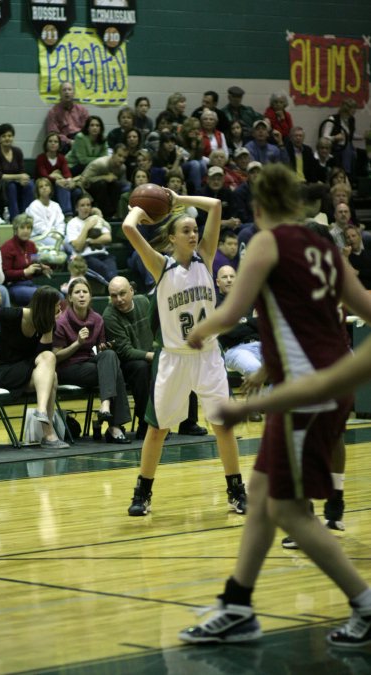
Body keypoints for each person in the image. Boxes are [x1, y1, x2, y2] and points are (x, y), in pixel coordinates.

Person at [179, 163, 371, 649]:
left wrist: (201, 331)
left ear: (259, 208)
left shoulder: (267, 241)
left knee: (288, 510)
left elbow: (233, 309)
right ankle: (237, 605)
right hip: (332, 374)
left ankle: (366, 605)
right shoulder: (326, 244)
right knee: (262, 493)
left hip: (308, 391)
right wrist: (277, 361)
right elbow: (358, 307)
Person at [122, 189, 247, 517]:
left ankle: (236, 490)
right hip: (174, 358)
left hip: (208, 357)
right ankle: (143, 492)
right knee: (157, 429)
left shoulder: (206, 257)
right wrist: (141, 209)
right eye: (187, 230)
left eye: (195, 229)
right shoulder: (160, 266)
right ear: (172, 238)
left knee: (223, 426)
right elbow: (128, 228)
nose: (194, 234)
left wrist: (177, 197)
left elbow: (217, 205)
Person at [0, 285, 68, 449]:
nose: (60, 309)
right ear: (45, 308)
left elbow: (43, 355)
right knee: (53, 377)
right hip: (6, 371)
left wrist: (49, 328)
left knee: (51, 363)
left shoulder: (47, 324)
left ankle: (42, 412)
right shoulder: (14, 315)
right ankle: (48, 434)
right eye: (56, 306)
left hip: (28, 370)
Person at [103, 276, 208, 440]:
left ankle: (188, 422)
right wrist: (152, 356)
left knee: (185, 359)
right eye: (114, 296)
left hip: (154, 353)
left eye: (122, 293)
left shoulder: (143, 302)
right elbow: (124, 351)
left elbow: (162, 329)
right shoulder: (109, 315)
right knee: (141, 368)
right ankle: (146, 425)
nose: (119, 299)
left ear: (131, 290)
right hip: (129, 363)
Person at [53, 276, 131, 444]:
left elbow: (101, 348)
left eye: (85, 292)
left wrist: (107, 346)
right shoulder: (61, 322)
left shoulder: (97, 319)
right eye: (77, 292)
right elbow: (56, 356)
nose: (81, 295)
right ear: (70, 298)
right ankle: (114, 426)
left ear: (90, 296)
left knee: (110, 356)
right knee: (114, 372)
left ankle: (105, 407)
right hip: (68, 368)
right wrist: (77, 343)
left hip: (89, 363)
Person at [215, 265, 263, 424]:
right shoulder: (214, 303)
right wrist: (251, 321)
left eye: (232, 276)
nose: (229, 280)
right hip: (234, 349)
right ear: (217, 282)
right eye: (224, 277)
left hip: (262, 344)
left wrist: (242, 321)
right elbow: (228, 332)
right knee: (254, 368)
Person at [0, 123, 35, 221]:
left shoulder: (17, 151)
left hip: (15, 181)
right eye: (4, 136)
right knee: (11, 186)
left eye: (10, 136)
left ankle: (26, 216)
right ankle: (15, 218)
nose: (7, 138)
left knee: (29, 184)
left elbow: (22, 171)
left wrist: (22, 179)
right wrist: (19, 177)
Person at [0, 213, 53, 306]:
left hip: (29, 284)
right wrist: (24, 272)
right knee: (47, 296)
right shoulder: (7, 247)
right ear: (16, 229)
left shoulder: (31, 245)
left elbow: (35, 266)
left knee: (58, 295)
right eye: (22, 228)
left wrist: (42, 270)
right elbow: (5, 274)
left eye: (28, 228)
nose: (26, 231)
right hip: (13, 287)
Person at [65, 193, 118, 282]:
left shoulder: (95, 219)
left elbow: (108, 238)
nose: (86, 208)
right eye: (82, 205)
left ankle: (119, 286)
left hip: (103, 255)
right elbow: (78, 247)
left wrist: (90, 241)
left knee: (113, 272)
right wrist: (86, 227)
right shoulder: (72, 223)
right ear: (76, 208)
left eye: (88, 205)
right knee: (106, 271)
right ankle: (120, 287)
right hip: (85, 257)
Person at [80, 143, 129, 219]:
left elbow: (121, 183)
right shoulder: (100, 163)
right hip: (89, 188)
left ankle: (114, 214)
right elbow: (84, 180)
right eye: (119, 155)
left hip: (108, 190)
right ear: (113, 154)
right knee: (102, 184)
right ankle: (107, 215)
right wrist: (104, 177)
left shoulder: (122, 168)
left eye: (124, 157)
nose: (122, 159)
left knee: (117, 184)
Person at [35, 131, 75, 217]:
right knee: (60, 184)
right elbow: (43, 175)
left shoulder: (61, 158)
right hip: (45, 183)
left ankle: (68, 216)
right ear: (46, 144)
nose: (53, 144)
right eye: (50, 141)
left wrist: (69, 180)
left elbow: (66, 173)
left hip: (58, 184)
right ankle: (67, 213)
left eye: (56, 142)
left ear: (59, 145)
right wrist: (56, 180)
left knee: (73, 189)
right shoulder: (41, 158)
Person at [46, 81, 89, 154]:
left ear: (73, 93)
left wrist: (79, 141)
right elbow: (53, 133)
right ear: (60, 94)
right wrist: (69, 141)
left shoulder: (82, 110)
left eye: (69, 89)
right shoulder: (53, 112)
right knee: (58, 144)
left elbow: (88, 130)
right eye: (64, 90)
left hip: (80, 138)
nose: (67, 92)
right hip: (64, 141)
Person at [320, 97, 357, 177]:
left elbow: (350, 135)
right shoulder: (333, 119)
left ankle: (353, 177)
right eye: (353, 108)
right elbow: (325, 136)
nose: (355, 111)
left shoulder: (351, 120)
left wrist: (362, 137)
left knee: (354, 152)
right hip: (336, 146)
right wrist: (335, 137)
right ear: (347, 109)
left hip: (348, 145)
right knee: (347, 148)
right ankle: (346, 174)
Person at [26, 177, 66, 247]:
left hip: (56, 235)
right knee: (60, 246)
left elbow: (60, 223)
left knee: (70, 242)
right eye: (41, 187)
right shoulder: (34, 206)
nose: (44, 188)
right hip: (39, 237)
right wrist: (52, 235)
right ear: (37, 191)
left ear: (50, 188)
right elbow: (38, 227)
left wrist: (59, 235)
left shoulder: (56, 205)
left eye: (46, 185)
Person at [344, 224, 371, 289]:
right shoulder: (346, 257)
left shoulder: (369, 253)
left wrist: (359, 272)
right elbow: (349, 276)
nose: (351, 239)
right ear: (346, 241)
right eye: (348, 237)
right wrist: (345, 257)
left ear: (360, 237)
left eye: (353, 236)